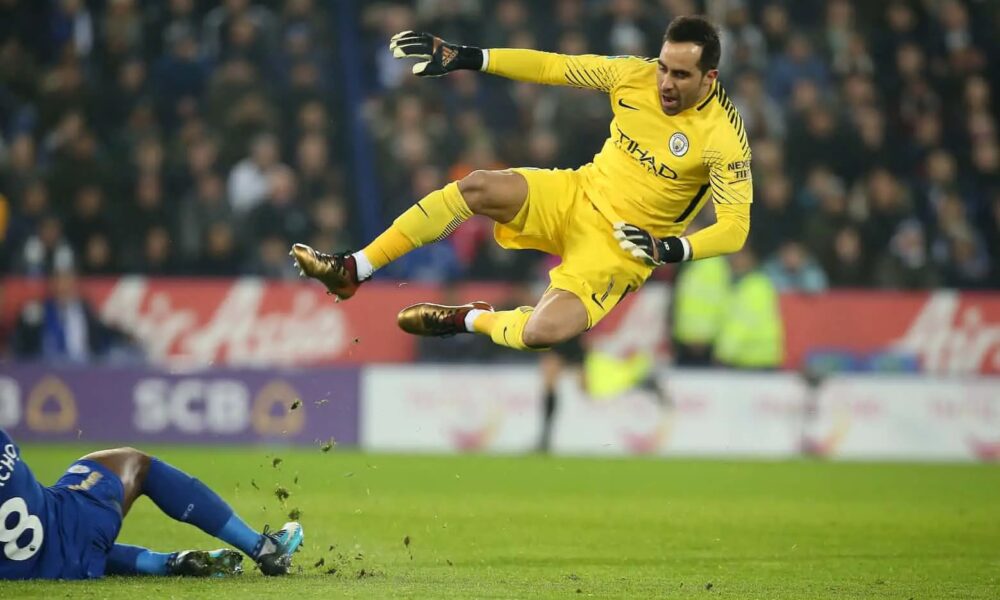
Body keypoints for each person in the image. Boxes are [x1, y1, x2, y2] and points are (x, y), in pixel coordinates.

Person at [292, 15, 751, 353]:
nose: (665, 82)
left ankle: (470, 318)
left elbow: (735, 228)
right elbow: (554, 68)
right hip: (577, 194)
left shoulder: (724, 138)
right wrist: (469, 57)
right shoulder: (634, 76)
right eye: (664, 67)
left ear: (709, 78)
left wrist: (669, 249)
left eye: (681, 74)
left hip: (621, 248)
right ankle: (355, 268)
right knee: (479, 187)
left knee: (541, 333)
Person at [0, 428, 303, 580]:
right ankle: (263, 548)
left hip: (42, 570)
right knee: (135, 463)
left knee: (38, 554)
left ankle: (167, 563)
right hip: (74, 521)